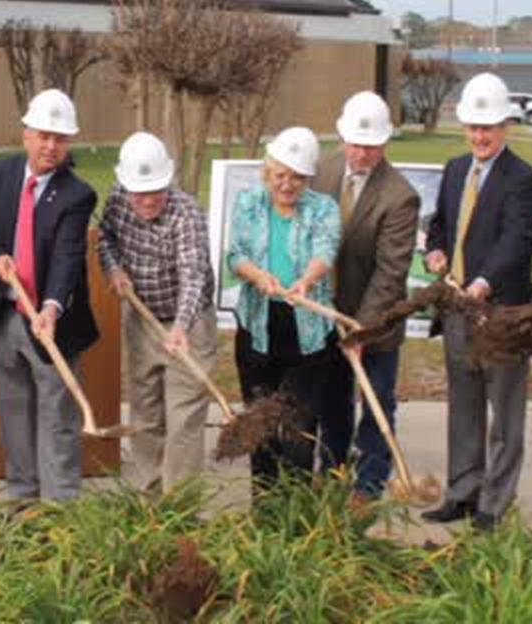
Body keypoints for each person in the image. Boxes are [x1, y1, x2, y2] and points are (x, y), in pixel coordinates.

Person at [423, 72, 532, 532]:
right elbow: (441, 225)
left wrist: (484, 282)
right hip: (457, 309)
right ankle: (462, 492)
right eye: (473, 127)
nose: (479, 136)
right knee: (464, 406)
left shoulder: (524, 178)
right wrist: (434, 249)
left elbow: (517, 241)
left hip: (503, 313)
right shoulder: (455, 169)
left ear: (505, 127)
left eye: (487, 128)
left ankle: (494, 502)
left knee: (504, 413)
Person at [0, 88, 98, 501]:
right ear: (26, 134)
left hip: (50, 323)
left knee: (57, 417)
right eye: (43, 135)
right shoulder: (1, 173)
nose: (50, 146)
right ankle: (22, 500)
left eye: (60, 139)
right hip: (5, 316)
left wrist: (51, 306)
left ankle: (61, 509)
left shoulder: (77, 195)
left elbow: (67, 256)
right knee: (14, 413)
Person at [313, 92, 420, 508]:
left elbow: (390, 273)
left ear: (385, 143)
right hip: (324, 313)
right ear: (342, 137)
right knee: (332, 399)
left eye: (371, 146)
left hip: (374, 320)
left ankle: (370, 483)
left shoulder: (399, 196)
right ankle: (334, 469)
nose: (362, 153)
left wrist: (362, 328)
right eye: (355, 144)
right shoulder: (322, 169)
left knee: (376, 402)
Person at [99, 132, 217, 492]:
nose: (148, 200)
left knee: (183, 418)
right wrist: (113, 268)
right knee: (145, 412)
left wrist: (181, 327)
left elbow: (193, 277)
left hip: (190, 323)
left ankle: (179, 509)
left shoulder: (187, 214)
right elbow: (105, 238)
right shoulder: (118, 201)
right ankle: (147, 498)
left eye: (156, 191)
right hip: (142, 317)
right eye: (140, 193)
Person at [226, 127, 340, 496]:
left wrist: (306, 281)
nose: (287, 185)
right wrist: (258, 277)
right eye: (281, 175)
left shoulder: (323, 209)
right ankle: (264, 510)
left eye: (297, 177)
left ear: (308, 178)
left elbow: (326, 250)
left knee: (299, 431)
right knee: (259, 425)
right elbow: (236, 255)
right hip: (259, 328)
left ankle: (296, 516)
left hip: (306, 334)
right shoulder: (248, 203)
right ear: (267, 172)